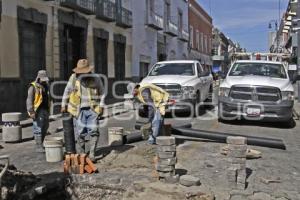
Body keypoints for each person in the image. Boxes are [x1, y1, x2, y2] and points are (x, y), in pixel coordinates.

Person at [61, 59, 104, 162]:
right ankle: (82, 155)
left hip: (93, 109)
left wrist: (101, 106)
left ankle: (92, 154)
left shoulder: (96, 78)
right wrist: (63, 104)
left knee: (94, 132)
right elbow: (67, 91)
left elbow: (102, 93)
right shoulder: (73, 78)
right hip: (78, 110)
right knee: (80, 133)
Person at [26, 70, 50, 152]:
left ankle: (41, 143)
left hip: (45, 109)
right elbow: (29, 100)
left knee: (45, 126)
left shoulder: (46, 85)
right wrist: (31, 111)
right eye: (42, 80)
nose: (44, 81)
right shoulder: (33, 86)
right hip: (37, 110)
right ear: (38, 78)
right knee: (38, 128)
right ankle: (38, 146)